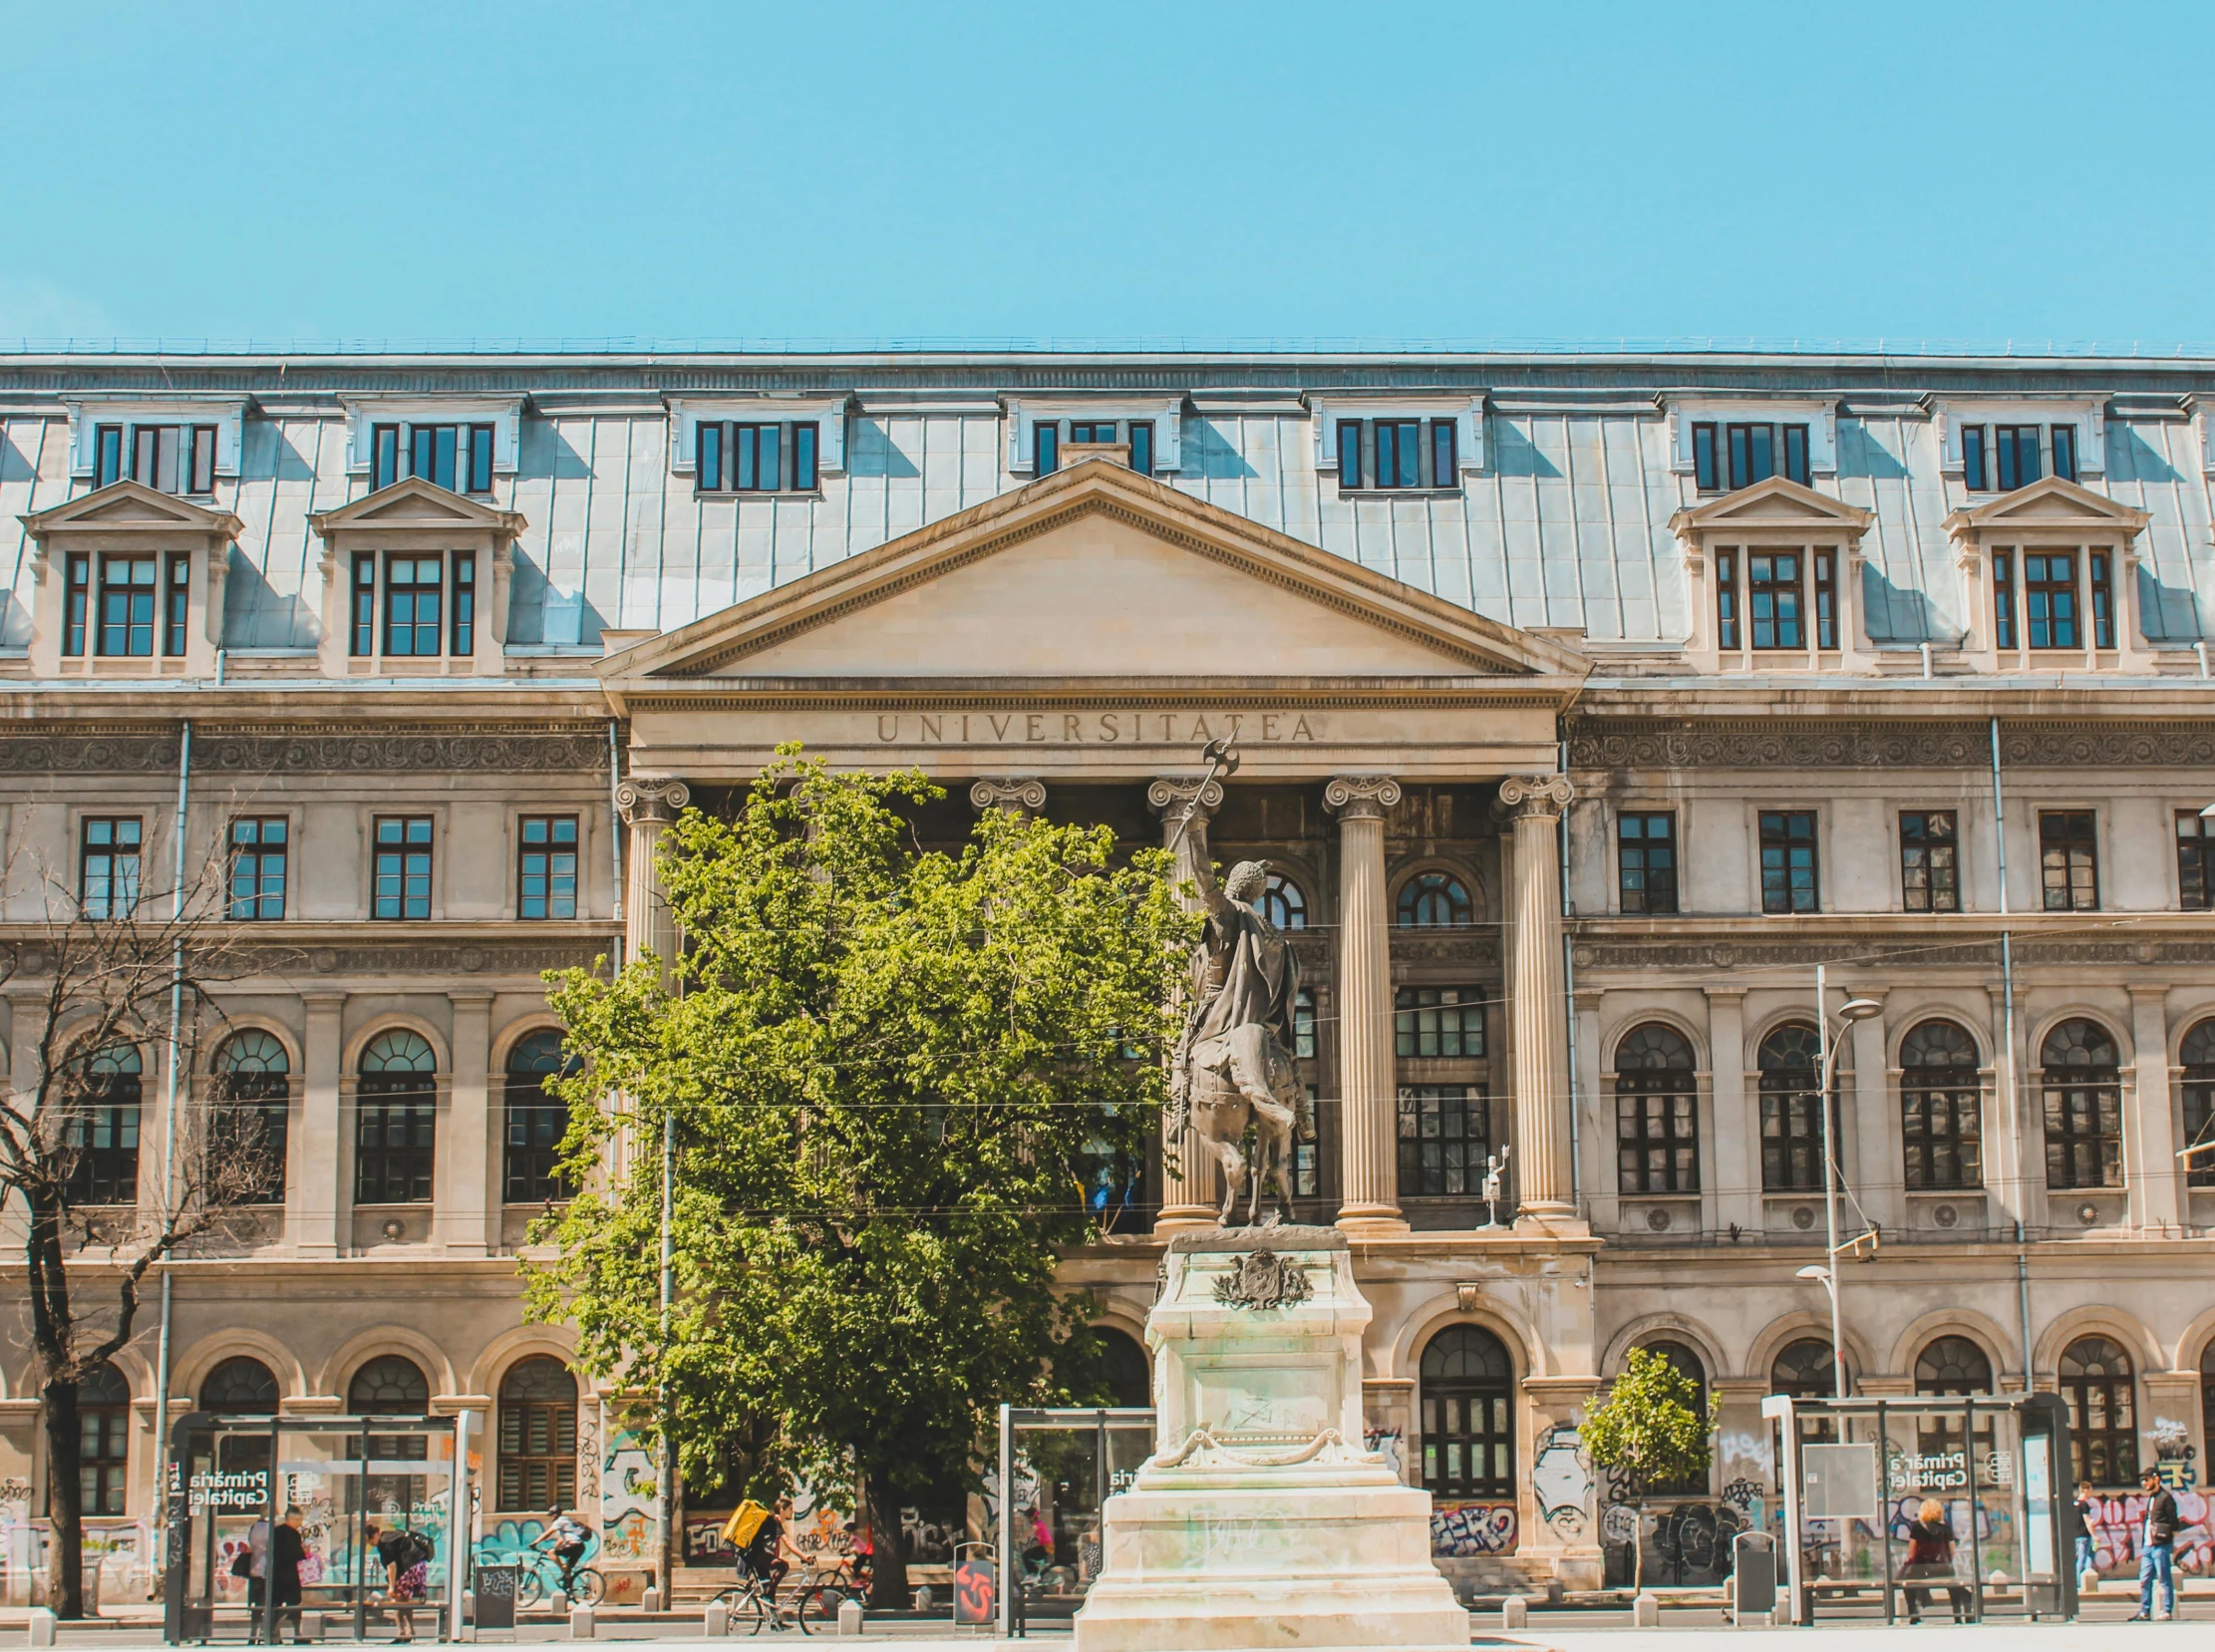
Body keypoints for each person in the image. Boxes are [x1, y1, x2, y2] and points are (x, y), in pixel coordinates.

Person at [1899, 1498, 1969, 1625]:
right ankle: (1957, 1616)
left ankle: (1914, 1614)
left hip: (1922, 1569)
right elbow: (1952, 1552)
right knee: (1954, 1589)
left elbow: (1912, 1552)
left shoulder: (1917, 1529)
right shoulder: (1946, 1529)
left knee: (1907, 1585)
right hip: (1943, 1569)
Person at [2127, 1468, 2180, 1622]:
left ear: (2156, 1479)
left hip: (2161, 1545)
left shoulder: (2166, 1498)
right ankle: (2145, 1610)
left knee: (2164, 1578)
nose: (2144, 1483)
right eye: (2143, 1480)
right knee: (2145, 1578)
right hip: (2148, 1546)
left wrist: (2170, 1541)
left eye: (2147, 1479)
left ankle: (2166, 1610)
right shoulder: (2152, 1497)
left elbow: (2174, 1523)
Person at [366, 1519, 428, 1644]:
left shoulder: (384, 1544)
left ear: (374, 1536)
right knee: (402, 1600)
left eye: (369, 1541)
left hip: (409, 1568)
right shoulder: (389, 1536)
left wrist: (391, 1587)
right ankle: (408, 1632)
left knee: (397, 1599)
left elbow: (392, 1566)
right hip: (416, 1566)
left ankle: (403, 1632)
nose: (371, 1544)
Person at [266, 1507, 307, 1644]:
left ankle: (275, 1635)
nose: (300, 1523)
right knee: (293, 1604)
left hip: (276, 1573)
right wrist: (305, 1551)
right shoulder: (293, 1534)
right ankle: (296, 1634)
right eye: (299, 1520)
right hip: (289, 1573)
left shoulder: (276, 1532)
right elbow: (296, 1554)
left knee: (277, 1605)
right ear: (292, 1518)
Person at [530, 1509, 593, 1597]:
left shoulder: (559, 1521)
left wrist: (535, 1543)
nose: (551, 1518)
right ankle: (568, 1590)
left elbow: (547, 1534)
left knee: (551, 1553)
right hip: (580, 1547)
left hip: (574, 1546)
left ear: (555, 1515)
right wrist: (556, 1548)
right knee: (568, 1571)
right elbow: (561, 1539)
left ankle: (563, 1569)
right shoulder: (566, 1521)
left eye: (551, 1515)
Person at [739, 1501, 789, 1595]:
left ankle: (770, 1606)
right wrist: (804, 1557)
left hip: (754, 1553)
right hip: (753, 1554)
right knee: (783, 1566)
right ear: (782, 1511)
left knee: (768, 1586)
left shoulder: (771, 1521)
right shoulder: (773, 1522)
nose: (793, 1512)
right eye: (790, 1509)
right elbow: (788, 1542)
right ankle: (768, 1594)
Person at [2072, 1482, 2099, 1589]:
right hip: (2085, 1535)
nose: (2091, 1492)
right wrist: (2095, 1535)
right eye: (2091, 1489)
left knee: (2084, 1557)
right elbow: (2087, 1522)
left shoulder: (2074, 1503)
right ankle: (2080, 1581)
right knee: (2084, 1558)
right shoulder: (2084, 1505)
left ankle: (2085, 1580)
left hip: (2076, 1535)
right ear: (2086, 1490)